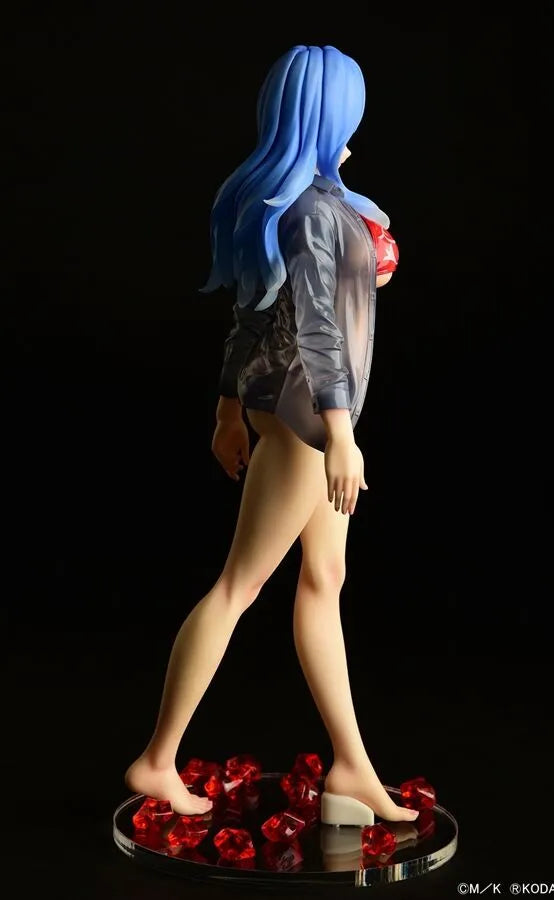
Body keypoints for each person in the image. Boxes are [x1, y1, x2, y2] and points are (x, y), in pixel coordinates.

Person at [124, 44, 418, 827]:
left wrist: (228, 406)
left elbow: (253, 314)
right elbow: (318, 329)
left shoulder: (302, 202)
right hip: (304, 419)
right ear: (334, 113)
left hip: (291, 410)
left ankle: (351, 767)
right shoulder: (313, 213)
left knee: (324, 578)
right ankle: (157, 759)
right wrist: (340, 433)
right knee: (239, 586)